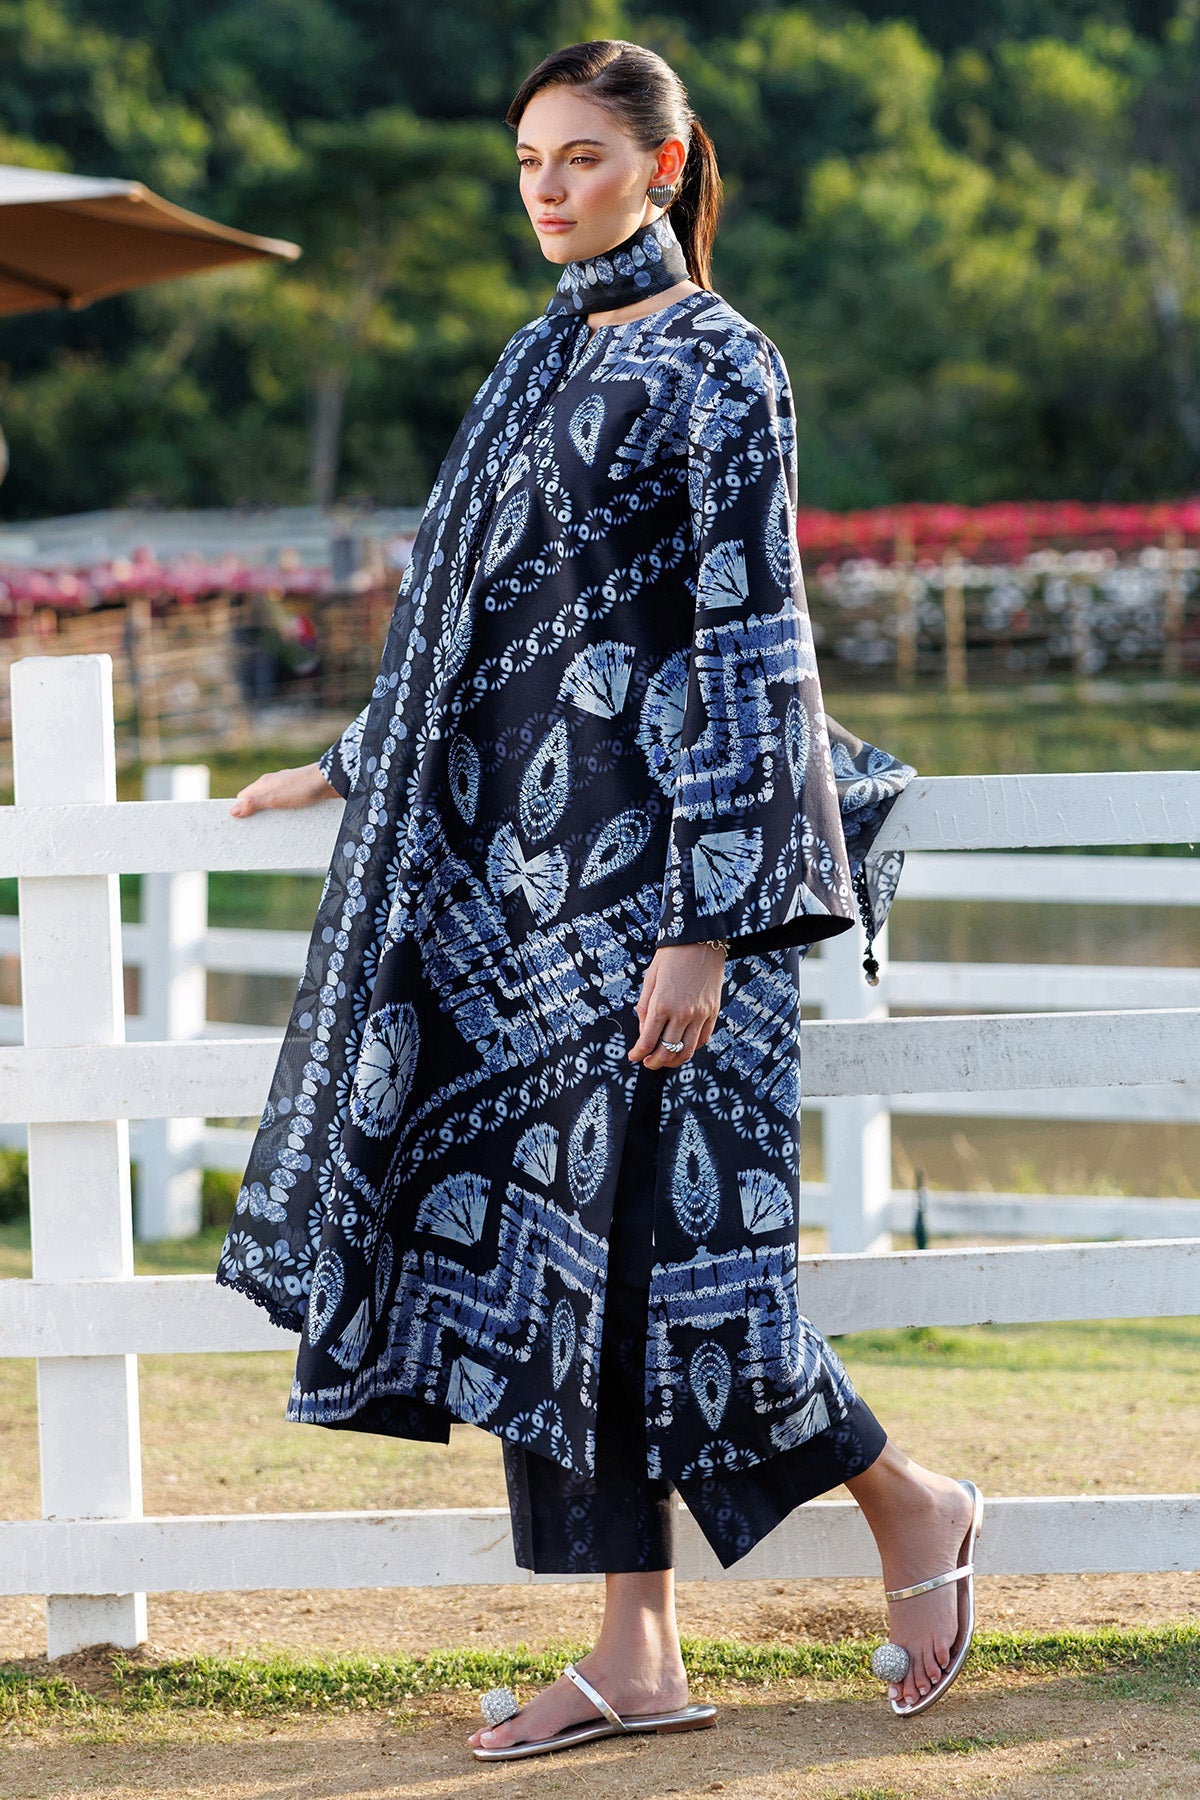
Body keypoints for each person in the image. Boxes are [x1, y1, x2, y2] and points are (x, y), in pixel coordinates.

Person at [216, 37, 983, 1763]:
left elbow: (749, 643)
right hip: (520, 906)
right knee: (550, 1276)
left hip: (666, 898)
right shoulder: (535, 359)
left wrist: (708, 924)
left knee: (684, 1278)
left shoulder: (724, 362)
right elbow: (475, 628)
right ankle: (635, 1654)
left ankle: (911, 1501)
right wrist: (349, 761)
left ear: (664, 162)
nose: (548, 190)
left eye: (579, 157)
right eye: (527, 164)